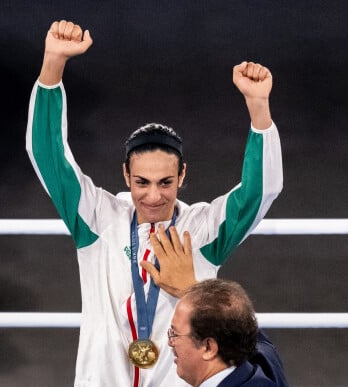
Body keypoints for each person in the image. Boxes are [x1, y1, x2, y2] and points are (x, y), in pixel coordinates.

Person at [26, 19, 283, 387]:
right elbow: (47, 155)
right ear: (126, 176)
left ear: (182, 176)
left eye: (166, 182)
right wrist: (53, 64)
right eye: (141, 182)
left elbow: (262, 191)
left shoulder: (205, 229)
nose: (153, 195)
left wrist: (259, 108)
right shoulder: (97, 219)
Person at [149, 225, 290, 387]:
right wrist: (192, 292)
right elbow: (250, 333)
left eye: (175, 334)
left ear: (209, 347)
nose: (170, 342)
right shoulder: (264, 368)